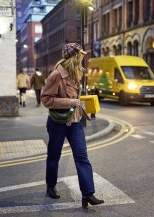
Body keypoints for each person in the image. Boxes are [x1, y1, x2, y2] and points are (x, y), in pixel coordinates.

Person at [41, 43, 104, 208]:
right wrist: (69, 101)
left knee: (82, 156)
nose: (83, 57)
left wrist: (80, 103)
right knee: (54, 156)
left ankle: (88, 194)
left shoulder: (78, 73)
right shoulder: (56, 75)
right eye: (80, 55)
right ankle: (50, 186)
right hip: (58, 122)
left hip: (75, 121)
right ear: (74, 57)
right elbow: (46, 99)